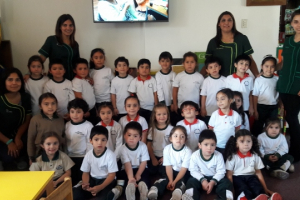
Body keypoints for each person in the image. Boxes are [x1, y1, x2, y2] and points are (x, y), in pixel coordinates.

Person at [225, 129, 282, 200]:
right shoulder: (232, 157)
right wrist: (232, 190)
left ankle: (265, 197)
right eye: (242, 141)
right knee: (243, 189)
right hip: (237, 177)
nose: (246, 144)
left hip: (251, 176)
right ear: (236, 144)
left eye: (248, 141)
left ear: (252, 142)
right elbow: (229, 174)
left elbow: (258, 173)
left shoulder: (255, 156)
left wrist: (266, 189)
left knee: (257, 187)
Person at [203, 11, 258, 77]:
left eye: (229, 20)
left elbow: (250, 60)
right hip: (219, 80)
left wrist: (257, 76)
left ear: (233, 23)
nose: (226, 22)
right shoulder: (213, 42)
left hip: (238, 80)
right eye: (223, 20)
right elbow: (207, 64)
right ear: (219, 24)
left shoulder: (242, 39)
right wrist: (198, 78)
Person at [276, 10, 300, 163]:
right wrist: (269, 69)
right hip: (284, 85)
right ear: (291, 23)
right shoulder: (288, 41)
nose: (299, 25)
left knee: (292, 118)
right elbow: (283, 63)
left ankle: (296, 152)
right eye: (296, 22)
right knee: (285, 117)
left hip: (297, 87)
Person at [182, 130, 233, 200]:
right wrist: (203, 180)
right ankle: (191, 197)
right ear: (200, 145)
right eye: (206, 144)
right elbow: (193, 170)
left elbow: (221, 171)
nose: (209, 148)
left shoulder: (218, 155)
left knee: (226, 183)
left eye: (212, 145)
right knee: (191, 181)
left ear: (216, 145)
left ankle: (225, 198)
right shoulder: (195, 155)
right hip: (200, 178)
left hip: (215, 178)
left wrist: (212, 182)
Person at [73, 126, 119, 200]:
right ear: (91, 141)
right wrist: (86, 184)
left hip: (106, 180)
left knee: (104, 197)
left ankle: (117, 190)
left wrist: (100, 187)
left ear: (106, 141)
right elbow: (85, 172)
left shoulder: (110, 155)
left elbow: (112, 175)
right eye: (96, 139)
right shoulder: (88, 154)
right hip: (93, 179)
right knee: (76, 194)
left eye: (103, 140)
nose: (99, 143)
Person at [148, 126, 192, 200]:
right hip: (171, 170)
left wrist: (174, 182)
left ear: (185, 140)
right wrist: (171, 180)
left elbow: (183, 169)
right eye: (175, 136)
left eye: (182, 137)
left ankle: (177, 193)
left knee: (182, 181)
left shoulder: (188, 151)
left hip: (182, 172)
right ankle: (155, 189)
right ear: (171, 138)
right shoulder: (167, 149)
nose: (178, 139)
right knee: (165, 178)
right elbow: (168, 166)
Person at [0, 68, 31, 170]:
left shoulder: (25, 97)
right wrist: (9, 142)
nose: (14, 83)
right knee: (9, 157)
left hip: (20, 134)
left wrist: (17, 137)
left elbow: (27, 120)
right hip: (3, 137)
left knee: (31, 147)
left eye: (17, 80)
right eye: (10, 80)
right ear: (4, 81)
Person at [38, 14, 79, 80]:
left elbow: (78, 64)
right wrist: (30, 73)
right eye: (65, 25)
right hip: (55, 80)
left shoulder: (75, 44)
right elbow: (40, 60)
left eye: (70, 25)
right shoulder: (51, 40)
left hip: (72, 80)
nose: (68, 28)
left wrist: (86, 76)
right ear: (59, 27)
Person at [27, 93, 65, 164]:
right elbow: (31, 138)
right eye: (46, 104)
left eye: (53, 103)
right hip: (40, 153)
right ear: (40, 106)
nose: (50, 107)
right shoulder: (35, 119)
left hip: (57, 152)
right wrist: (31, 156)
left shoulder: (60, 119)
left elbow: (63, 137)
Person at [117, 121, 150, 200]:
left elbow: (144, 162)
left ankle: (143, 189)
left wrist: (138, 174)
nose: (131, 138)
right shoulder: (122, 149)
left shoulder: (143, 146)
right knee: (125, 179)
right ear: (125, 135)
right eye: (129, 135)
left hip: (140, 168)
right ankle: (130, 190)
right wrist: (131, 178)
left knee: (145, 177)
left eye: (135, 136)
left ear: (140, 137)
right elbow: (127, 164)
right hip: (127, 169)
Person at [65, 98, 93, 185]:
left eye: (78, 112)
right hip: (69, 157)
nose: (75, 115)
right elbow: (65, 141)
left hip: (82, 157)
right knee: (71, 181)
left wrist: (87, 158)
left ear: (84, 113)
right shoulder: (67, 124)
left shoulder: (88, 126)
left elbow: (90, 144)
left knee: (82, 181)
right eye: (72, 111)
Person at [172, 52, 204, 121]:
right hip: (181, 107)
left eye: (192, 62)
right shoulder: (179, 76)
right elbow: (175, 90)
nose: (189, 64)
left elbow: (202, 93)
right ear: (183, 64)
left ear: (196, 64)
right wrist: (175, 104)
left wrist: (202, 107)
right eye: (187, 62)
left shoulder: (200, 77)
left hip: (195, 108)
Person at [252, 55, 279, 137]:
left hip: (273, 107)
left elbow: (279, 93)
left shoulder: (277, 79)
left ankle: (270, 142)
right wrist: (255, 110)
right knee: (258, 126)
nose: (269, 69)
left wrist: (281, 106)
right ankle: (255, 142)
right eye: (266, 66)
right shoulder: (258, 80)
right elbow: (255, 95)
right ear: (262, 66)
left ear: (275, 68)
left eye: (272, 67)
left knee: (271, 126)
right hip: (261, 107)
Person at [208, 89, 241, 154]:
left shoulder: (236, 116)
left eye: (222, 99)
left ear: (230, 100)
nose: (219, 101)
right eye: (217, 99)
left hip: (230, 145)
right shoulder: (215, 115)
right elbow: (211, 129)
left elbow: (237, 130)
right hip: (216, 145)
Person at [128, 58, 158, 123]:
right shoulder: (134, 81)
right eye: (142, 67)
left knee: (151, 125)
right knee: (141, 124)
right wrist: (135, 106)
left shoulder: (153, 80)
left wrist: (156, 106)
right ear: (138, 69)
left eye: (147, 67)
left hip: (151, 108)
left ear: (149, 70)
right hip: (140, 108)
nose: (144, 69)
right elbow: (132, 94)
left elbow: (155, 93)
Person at [147, 104, 173, 176]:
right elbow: (149, 145)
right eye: (159, 114)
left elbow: (173, 146)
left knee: (165, 173)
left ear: (168, 115)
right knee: (150, 172)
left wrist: (165, 157)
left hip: (166, 156)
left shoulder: (171, 129)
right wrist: (153, 158)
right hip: (154, 155)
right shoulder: (152, 129)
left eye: (164, 114)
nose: (162, 116)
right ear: (154, 116)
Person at [200, 56, 226, 125]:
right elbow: (203, 95)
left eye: (216, 66)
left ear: (220, 67)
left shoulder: (225, 80)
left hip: (222, 110)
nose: (214, 69)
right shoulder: (206, 81)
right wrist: (203, 108)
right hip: (209, 111)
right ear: (207, 70)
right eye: (210, 67)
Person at [72, 58, 96, 124]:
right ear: (74, 70)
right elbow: (78, 97)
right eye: (80, 69)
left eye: (85, 68)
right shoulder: (76, 82)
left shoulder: (86, 79)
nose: (83, 71)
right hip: (85, 111)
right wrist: (84, 110)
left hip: (92, 108)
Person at [111, 56, 134, 121]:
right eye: (119, 65)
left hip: (130, 109)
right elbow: (113, 95)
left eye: (124, 65)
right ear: (116, 68)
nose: (122, 67)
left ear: (127, 67)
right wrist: (114, 108)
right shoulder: (114, 80)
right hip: (119, 109)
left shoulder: (131, 79)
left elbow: (133, 94)